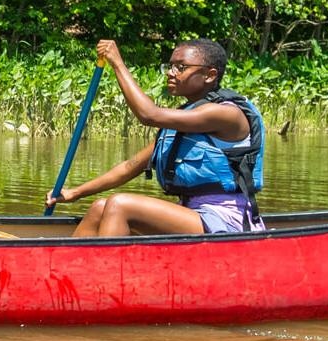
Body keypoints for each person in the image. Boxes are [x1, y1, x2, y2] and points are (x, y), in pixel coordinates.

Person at [46, 38, 265, 236]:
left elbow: (149, 115)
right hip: (190, 211)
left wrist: (117, 64)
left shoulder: (226, 114)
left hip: (226, 220)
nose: (171, 72)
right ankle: (72, 273)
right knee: (99, 208)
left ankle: (109, 275)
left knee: (120, 204)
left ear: (210, 75)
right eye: (170, 66)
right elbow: (130, 166)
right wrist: (75, 192)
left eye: (181, 67)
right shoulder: (184, 119)